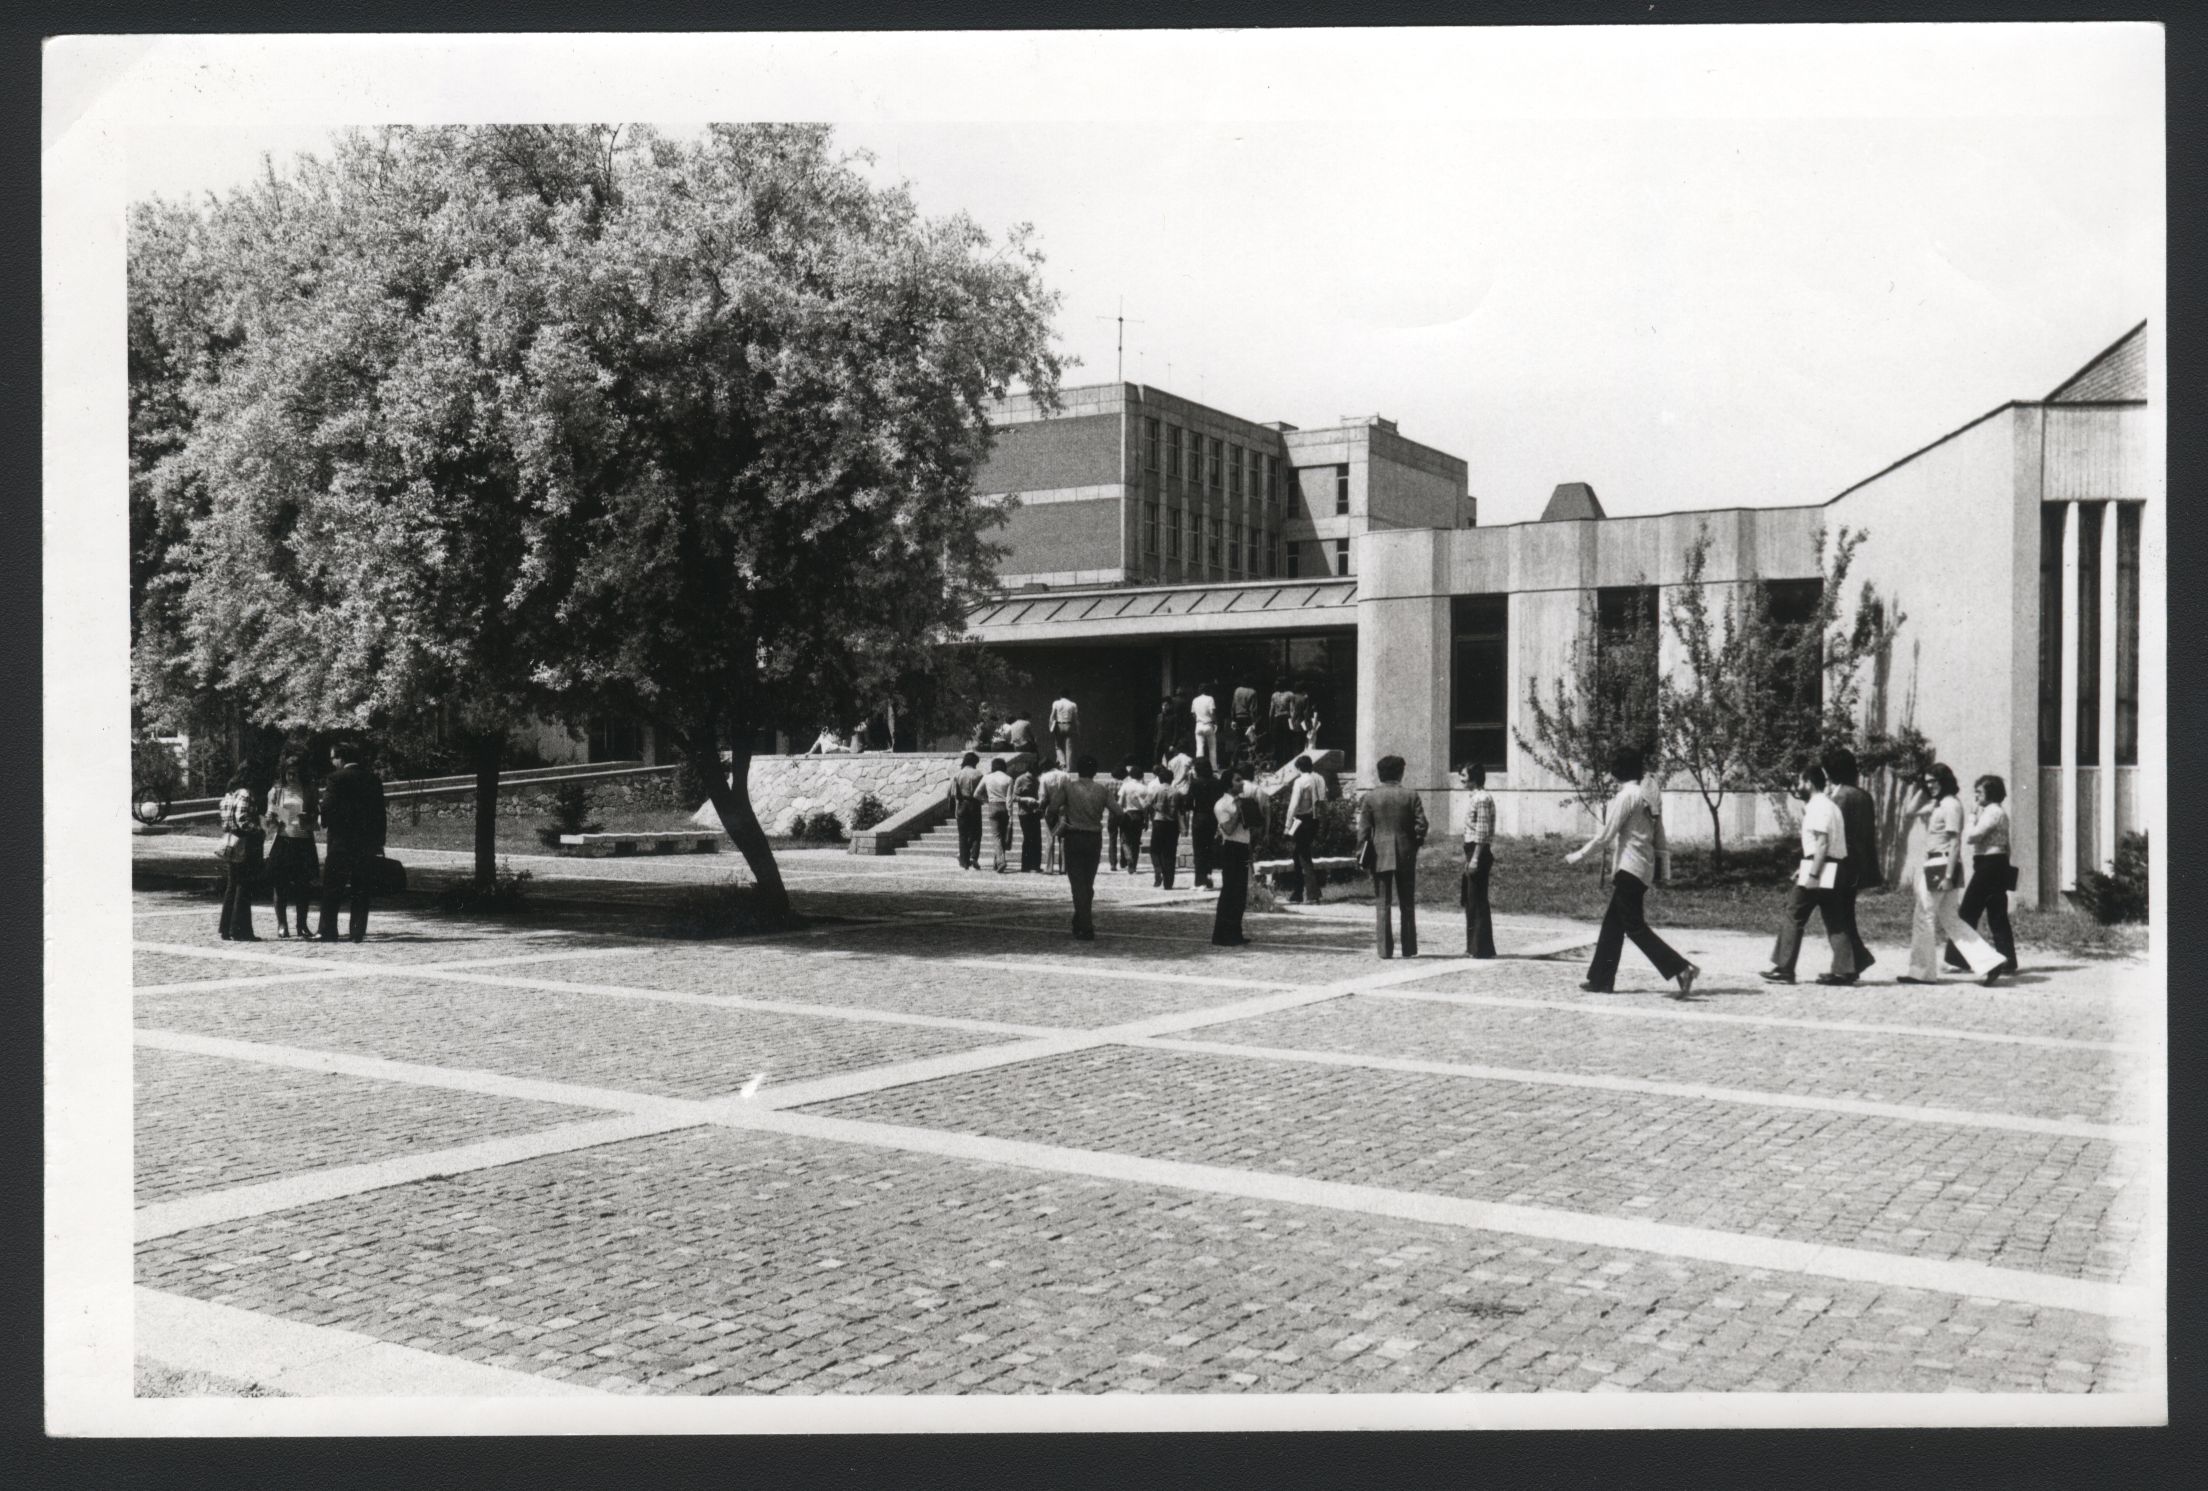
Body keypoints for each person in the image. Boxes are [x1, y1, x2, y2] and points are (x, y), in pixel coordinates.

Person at [1566, 747, 1699, 997]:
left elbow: (1605, 836)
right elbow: (1660, 836)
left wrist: (1578, 856)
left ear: (1620, 770)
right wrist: (1663, 870)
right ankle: (1600, 980)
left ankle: (1681, 968)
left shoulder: (1627, 796)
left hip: (1629, 868)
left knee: (1634, 927)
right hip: (1641, 868)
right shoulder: (1647, 795)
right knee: (1612, 926)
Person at [1900, 763, 2006, 985]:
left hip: (1941, 863)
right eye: (1927, 782)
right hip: (1940, 863)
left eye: (1934, 782)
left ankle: (1922, 972)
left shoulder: (1950, 806)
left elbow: (1955, 841)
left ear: (1945, 781)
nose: (1931, 786)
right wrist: (1921, 786)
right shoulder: (1938, 804)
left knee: (1924, 916)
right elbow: (1909, 812)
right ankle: (1990, 962)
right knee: (1950, 919)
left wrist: (1948, 876)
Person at [1761, 763, 1852, 985]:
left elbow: (1822, 843)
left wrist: (1812, 874)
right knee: (1835, 919)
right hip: (1836, 866)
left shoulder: (1818, 806)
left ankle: (1785, 968)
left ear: (1809, 783)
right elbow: (1825, 846)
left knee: (1793, 913)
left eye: (1800, 782)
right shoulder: (1831, 806)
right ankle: (1845, 970)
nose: (1798, 786)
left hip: (1820, 868)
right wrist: (1804, 866)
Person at [1357, 755, 1429, 959]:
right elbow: (1422, 824)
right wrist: (1416, 841)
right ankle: (1409, 947)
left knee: (1382, 902)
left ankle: (1384, 949)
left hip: (1380, 853)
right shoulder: (1411, 795)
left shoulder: (1371, 797)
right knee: (1407, 902)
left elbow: (1363, 830)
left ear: (1380, 774)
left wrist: (1360, 853)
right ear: (1400, 772)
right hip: (1406, 852)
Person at [1819, 746, 1881, 985]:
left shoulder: (1840, 797)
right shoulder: (1862, 795)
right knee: (1845, 915)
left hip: (1840, 866)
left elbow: (1832, 832)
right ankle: (1853, 962)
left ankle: (1847, 966)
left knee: (1836, 916)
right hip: (1857, 866)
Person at [1950, 774, 2019, 975]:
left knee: (1968, 911)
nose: (1976, 796)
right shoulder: (1998, 812)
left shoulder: (1992, 812)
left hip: (1988, 865)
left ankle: (1959, 959)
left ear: (1991, 792)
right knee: (1997, 914)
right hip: (1996, 864)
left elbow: (1972, 836)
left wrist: (1971, 817)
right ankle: (2007, 959)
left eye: (1979, 791)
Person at [318, 740, 386, 944]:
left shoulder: (335, 779)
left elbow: (328, 808)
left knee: (332, 887)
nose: (332, 762)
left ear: (341, 758)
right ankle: (357, 931)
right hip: (365, 842)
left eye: (333, 758)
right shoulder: (373, 779)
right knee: (361, 888)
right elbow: (380, 814)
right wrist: (379, 840)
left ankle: (328, 930)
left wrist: (324, 820)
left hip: (340, 841)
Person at [1044, 755, 1114, 940]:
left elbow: (1051, 809)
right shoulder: (1102, 789)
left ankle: (1086, 925)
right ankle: (1080, 919)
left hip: (1074, 837)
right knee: (1087, 884)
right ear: (1095, 771)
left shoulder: (1068, 788)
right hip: (1094, 838)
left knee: (1078, 884)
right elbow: (1119, 812)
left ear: (1078, 770)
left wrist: (1055, 828)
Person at [263, 753, 320, 939]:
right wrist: (273, 817)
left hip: (303, 839)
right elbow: (268, 817)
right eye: (288, 773)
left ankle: (301, 925)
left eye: (295, 773)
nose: (291, 777)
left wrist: (309, 817)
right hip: (283, 839)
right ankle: (282, 924)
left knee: (303, 885)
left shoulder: (309, 790)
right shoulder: (277, 791)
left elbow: (316, 818)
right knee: (280, 884)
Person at [1211, 764, 1263, 946]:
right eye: (1237, 780)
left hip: (1243, 847)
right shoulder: (1222, 804)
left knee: (1240, 893)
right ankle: (1221, 934)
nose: (1241, 783)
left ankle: (1235, 932)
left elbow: (1254, 824)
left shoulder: (1242, 801)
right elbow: (1228, 829)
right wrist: (1239, 811)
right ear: (1228, 784)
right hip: (1230, 848)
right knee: (1229, 891)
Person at [216, 765, 266, 941]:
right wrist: (259, 830)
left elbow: (225, 819)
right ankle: (240, 929)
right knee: (244, 886)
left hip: (231, 841)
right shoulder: (245, 793)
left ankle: (226, 927)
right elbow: (242, 819)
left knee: (232, 885)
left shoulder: (230, 795)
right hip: (245, 841)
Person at [1460, 760, 1497, 958]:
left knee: (1477, 899)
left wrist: (1475, 859)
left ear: (1474, 777)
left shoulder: (1481, 799)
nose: (1461, 780)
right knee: (1471, 899)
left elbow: (1482, 832)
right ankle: (1474, 946)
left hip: (1478, 851)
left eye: (1464, 776)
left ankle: (1481, 948)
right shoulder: (1476, 797)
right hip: (1472, 850)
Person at [1285, 754, 1324, 904]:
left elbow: (1294, 805)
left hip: (1301, 819)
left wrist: (1287, 825)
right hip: (1315, 819)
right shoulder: (1319, 779)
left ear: (1299, 767)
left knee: (1303, 855)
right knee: (1298, 854)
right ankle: (1298, 892)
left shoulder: (1300, 781)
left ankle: (1311, 893)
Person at [1187, 758, 1225, 891]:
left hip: (1199, 816)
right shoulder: (1217, 782)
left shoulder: (1195, 783)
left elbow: (1188, 803)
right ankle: (1208, 877)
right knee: (1209, 848)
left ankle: (1199, 880)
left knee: (1199, 849)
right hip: (1213, 817)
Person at [1149, 765, 1187, 889]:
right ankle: (1168, 882)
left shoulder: (1155, 790)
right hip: (1172, 823)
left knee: (1155, 849)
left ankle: (1158, 868)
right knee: (1170, 852)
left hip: (1159, 821)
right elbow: (1181, 811)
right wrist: (1183, 827)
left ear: (1160, 779)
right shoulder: (1177, 793)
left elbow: (1147, 805)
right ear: (1172, 779)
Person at [947, 751, 985, 870]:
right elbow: (982, 791)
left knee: (962, 834)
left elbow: (952, 794)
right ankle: (974, 856)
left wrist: (952, 808)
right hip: (975, 804)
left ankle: (964, 861)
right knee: (976, 832)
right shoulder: (979, 774)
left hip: (962, 804)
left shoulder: (958, 775)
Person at [1115, 758, 1151, 876]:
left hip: (1127, 813)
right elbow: (1146, 806)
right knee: (1136, 841)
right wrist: (1146, 820)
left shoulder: (1126, 786)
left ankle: (1128, 857)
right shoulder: (1145, 788)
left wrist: (1119, 814)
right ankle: (1133, 866)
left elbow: (1120, 802)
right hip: (1139, 815)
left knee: (1124, 840)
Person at [981, 756, 1016, 873]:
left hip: (992, 805)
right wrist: (1010, 813)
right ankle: (998, 862)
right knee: (1002, 834)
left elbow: (976, 793)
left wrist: (987, 800)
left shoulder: (987, 777)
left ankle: (1000, 862)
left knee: (996, 836)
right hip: (1004, 807)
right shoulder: (1009, 779)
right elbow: (1009, 799)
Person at [1037, 759, 1069, 874]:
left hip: (1050, 809)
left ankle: (1049, 867)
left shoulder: (1044, 777)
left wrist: (1040, 808)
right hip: (1063, 808)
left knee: (1050, 838)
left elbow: (1042, 796)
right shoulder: (1066, 775)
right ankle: (1063, 867)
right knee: (1063, 838)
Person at [1014, 760, 1044, 873]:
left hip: (1035, 812)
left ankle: (1036, 865)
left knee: (1037, 839)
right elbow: (1014, 796)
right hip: (1024, 813)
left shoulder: (1037, 780)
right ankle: (1025, 865)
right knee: (1028, 839)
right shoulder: (1020, 779)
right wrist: (1025, 799)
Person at [1267, 677, 1298, 767]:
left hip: (1277, 719)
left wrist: (1270, 723)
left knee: (1278, 741)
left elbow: (1271, 711)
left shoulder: (1274, 695)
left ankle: (1278, 762)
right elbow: (1292, 710)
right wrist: (1293, 723)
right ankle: (1288, 761)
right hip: (1286, 718)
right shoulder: (1290, 694)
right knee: (1287, 741)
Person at [1191, 682, 1221, 769]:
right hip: (1208, 724)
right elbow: (1212, 712)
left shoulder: (1195, 700)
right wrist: (1215, 722)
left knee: (1199, 748)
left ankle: (1199, 767)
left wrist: (1199, 720)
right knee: (1212, 748)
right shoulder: (1210, 699)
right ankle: (1213, 767)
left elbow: (1193, 714)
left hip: (1199, 725)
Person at [1048, 693, 1079, 770]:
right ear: (1069, 696)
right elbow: (1075, 719)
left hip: (1059, 725)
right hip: (1069, 725)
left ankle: (1062, 763)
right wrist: (1077, 729)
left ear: (1060, 696)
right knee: (1069, 748)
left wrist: (1050, 727)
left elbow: (1052, 716)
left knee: (1058, 746)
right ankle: (1069, 768)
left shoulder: (1056, 703)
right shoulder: (1073, 704)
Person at [1150, 698, 1181, 775]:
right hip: (1159, 741)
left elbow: (1176, 731)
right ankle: (1157, 775)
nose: (1164, 707)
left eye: (1166, 705)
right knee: (1157, 759)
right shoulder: (1159, 716)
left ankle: (1170, 775)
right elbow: (1156, 729)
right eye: (1163, 705)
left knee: (1170, 760)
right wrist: (1155, 740)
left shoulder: (1174, 717)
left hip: (1168, 742)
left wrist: (1173, 744)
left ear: (1169, 706)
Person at [1230, 682, 1258, 764]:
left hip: (1238, 718)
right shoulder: (1253, 692)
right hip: (1248, 718)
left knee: (1239, 742)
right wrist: (1254, 722)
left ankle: (1235, 761)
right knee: (1251, 741)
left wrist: (1233, 719)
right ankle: (1250, 762)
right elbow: (1253, 709)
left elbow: (1233, 705)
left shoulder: (1237, 690)